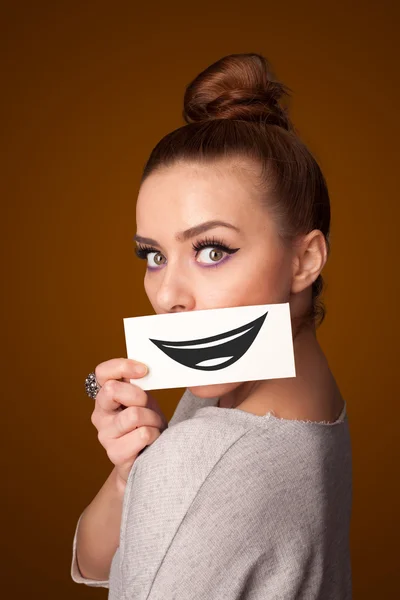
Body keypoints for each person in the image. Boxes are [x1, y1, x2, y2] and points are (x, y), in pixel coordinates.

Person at [71, 53, 352, 598]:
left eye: (212, 250)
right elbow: (96, 560)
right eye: (153, 256)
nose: (168, 295)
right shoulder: (289, 394)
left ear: (305, 260)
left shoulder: (201, 455)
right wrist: (134, 471)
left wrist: (163, 474)